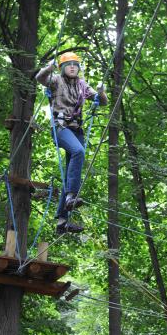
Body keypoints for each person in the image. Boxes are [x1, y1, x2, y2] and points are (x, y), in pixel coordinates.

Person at [36, 52, 108, 234]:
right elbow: (40, 77)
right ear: (62, 68)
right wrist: (49, 67)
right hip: (60, 128)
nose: (73, 67)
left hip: (76, 130)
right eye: (68, 64)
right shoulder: (56, 81)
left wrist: (101, 92)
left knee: (71, 173)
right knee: (79, 152)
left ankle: (62, 222)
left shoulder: (83, 85)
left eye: (75, 64)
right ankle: (71, 196)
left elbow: (103, 102)